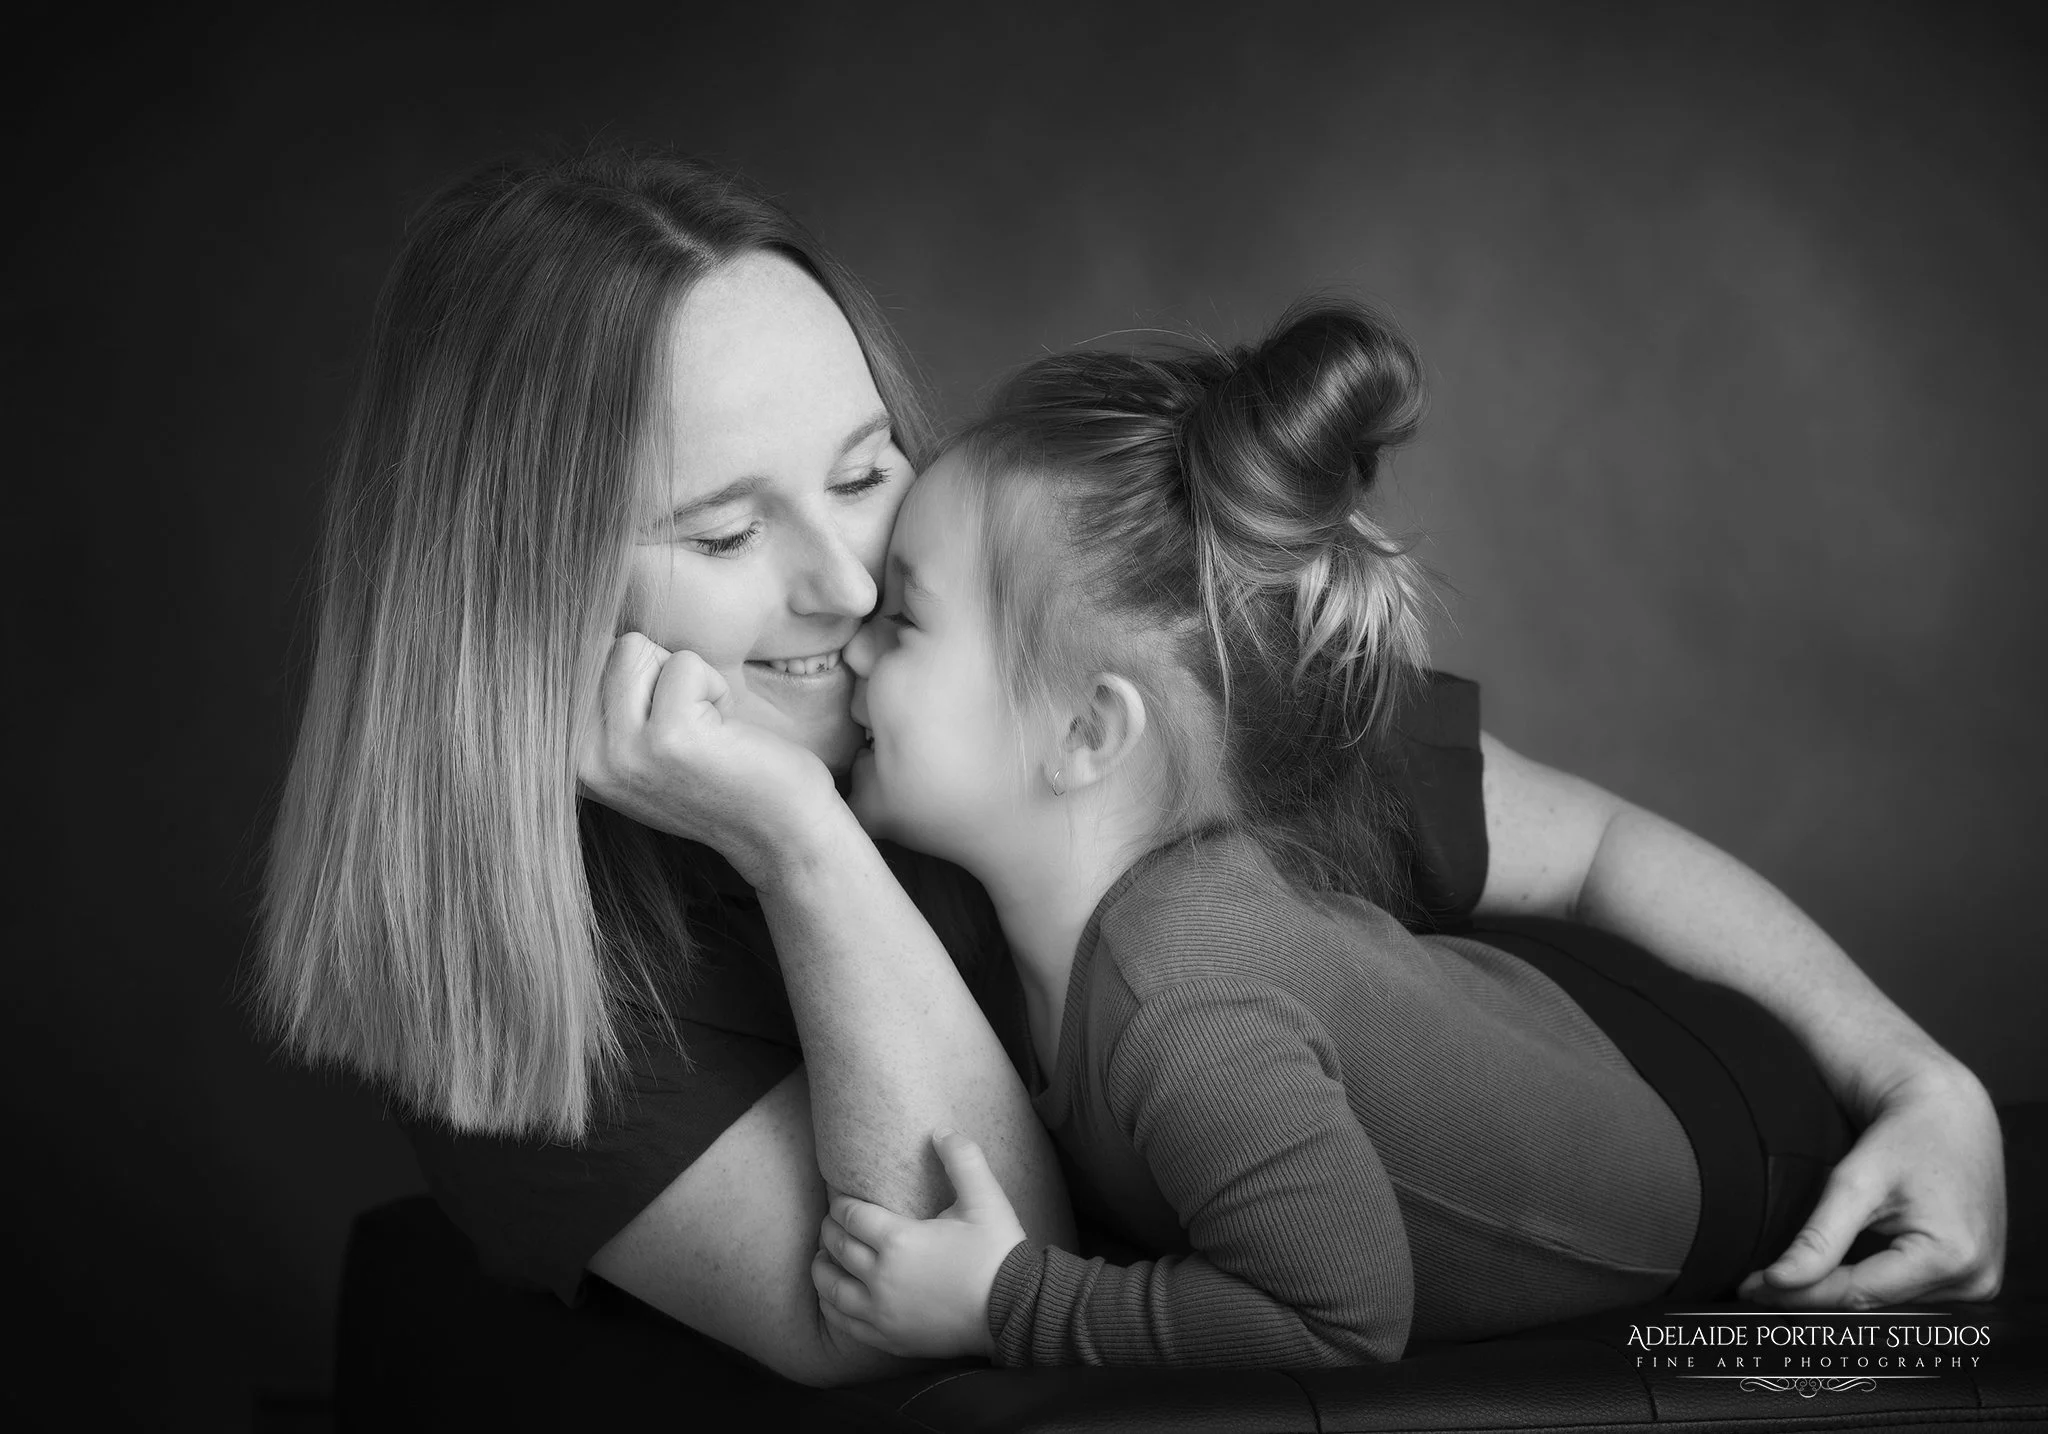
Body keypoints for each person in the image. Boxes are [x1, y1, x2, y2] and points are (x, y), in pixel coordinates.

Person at [257, 149, 2005, 1388]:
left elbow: (1592, 847)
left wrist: (1921, 1079)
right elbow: (943, 1274)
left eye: (865, 469)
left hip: (1640, 1119)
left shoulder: (1072, 685)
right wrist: (802, 843)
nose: (846, 581)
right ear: (524, 597)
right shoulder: (529, 992)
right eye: (726, 526)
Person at [809, 301, 1874, 1366]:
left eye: (904, 619)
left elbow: (1340, 1319)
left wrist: (1008, 1302)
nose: (852, 645)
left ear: (1086, 731)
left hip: (1733, 1123)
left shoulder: (1180, 1006)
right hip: (1543, 1018)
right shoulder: (1109, 928)